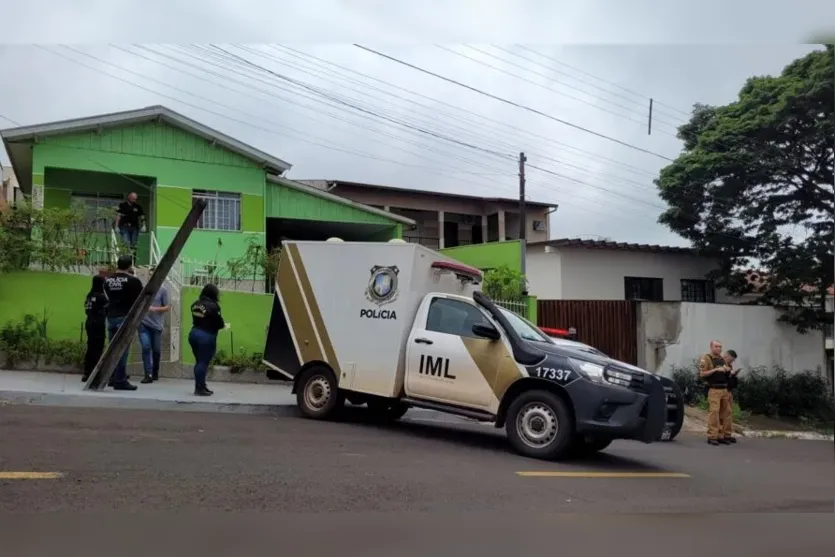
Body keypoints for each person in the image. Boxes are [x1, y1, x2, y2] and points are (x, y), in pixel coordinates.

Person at [103, 255, 144, 391]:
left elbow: (108, 298)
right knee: (122, 350)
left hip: (111, 317)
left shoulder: (108, 281)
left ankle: (110, 377)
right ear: (130, 266)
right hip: (125, 318)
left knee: (112, 349)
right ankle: (120, 380)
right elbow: (140, 299)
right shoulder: (133, 281)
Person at [188, 284, 225, 396]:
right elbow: (219, 323)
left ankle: (201, 385)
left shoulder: (195, 304)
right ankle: (199, 388)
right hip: (206, 335)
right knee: (203, 362)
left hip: (194, 333)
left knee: (199, 362)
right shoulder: (213, 306)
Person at [138, 268, 170, 384]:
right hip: (143, 323)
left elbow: (167, 307)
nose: (152, 278)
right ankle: (148, 374)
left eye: (154, 275)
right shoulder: (145, 289)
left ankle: (155, 372)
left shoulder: (164, 290)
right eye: (150, 275)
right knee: (146, 347)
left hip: (156, 325)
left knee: (156, 351)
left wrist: (153, 309)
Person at [698, 340, 733, 446]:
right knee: (714, 413)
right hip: (714, 389)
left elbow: (727, 371)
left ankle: (722, 435)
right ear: (711, 347)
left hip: (724, 389)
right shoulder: (706, 358)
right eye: (716, 346)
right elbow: (702, 374)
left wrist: (728, 371)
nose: (719, 348)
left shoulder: (722, 359)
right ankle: (712, 436)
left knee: (726, 413)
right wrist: (715, 370)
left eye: (720, 347)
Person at [81, 275, 109, 383]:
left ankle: (87, 372)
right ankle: (96, 373)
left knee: (90, 347)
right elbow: (107, 309)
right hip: (98, 323)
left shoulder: (89, 295)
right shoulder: (101, 296)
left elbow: (86, 309)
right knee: (98, 348)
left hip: (89, 322)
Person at [115, 192, 145, 257]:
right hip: (124, 227)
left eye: (135, 199)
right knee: (126, 243)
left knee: (133, 244)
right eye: (133, 199)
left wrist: (144, 225)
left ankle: (132, 262)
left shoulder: (138, 207)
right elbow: (118, 215)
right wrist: (116, 226)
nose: (134, 200)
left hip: (134, 228)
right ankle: (125, 260)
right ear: (129, 197)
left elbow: (142, 216)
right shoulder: (122, 205)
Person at [723, 349, 740, 444]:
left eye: (733, 360)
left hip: (729, 391)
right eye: (731, 359)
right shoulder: (721, 364)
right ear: (727, 356)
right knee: (725, 413)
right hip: (723, 391)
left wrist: (734, 375)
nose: (732, 362)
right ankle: (723, 434)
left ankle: (727, 434)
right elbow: (721, 378)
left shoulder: (730, 366)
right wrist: (730, 374)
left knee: (729, 414)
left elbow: (731, 381)